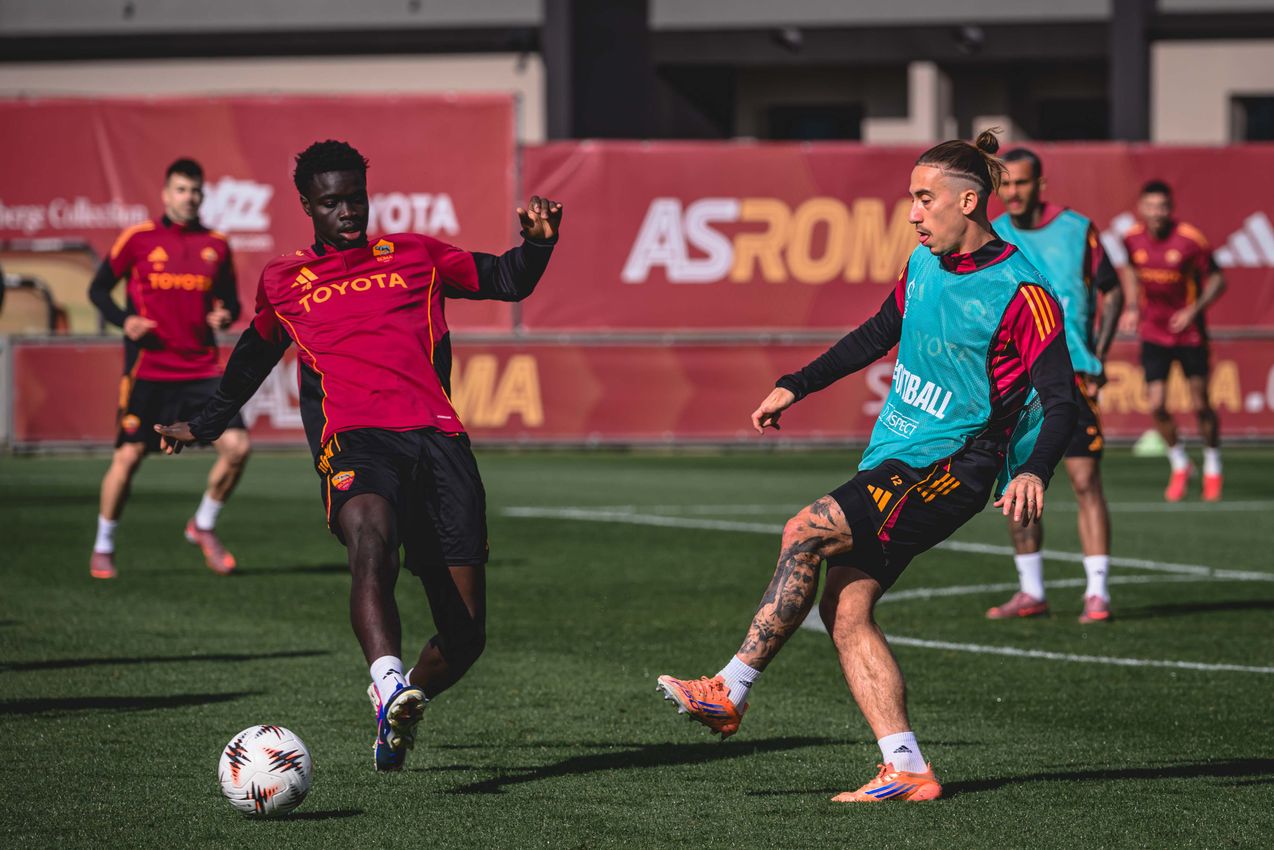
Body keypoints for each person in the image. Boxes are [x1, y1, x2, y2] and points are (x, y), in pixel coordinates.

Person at [656, 131, 1077, 803]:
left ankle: (728, 689)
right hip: (898, 457)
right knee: (846, 610)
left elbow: (1063, 400)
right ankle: (906, 767)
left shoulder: (1023, 293)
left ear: (968, 202)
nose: (912, 213)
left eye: (923, 199)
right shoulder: (922, 265)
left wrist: (1034, 472)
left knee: (806, 529)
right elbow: (876, 334)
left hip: (952, 467)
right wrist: (797, 382)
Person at [155, 140, 561, 772]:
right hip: (356, 438)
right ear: (308, 207)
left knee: (466, 634)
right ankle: (389, 679)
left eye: (356, 198)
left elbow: (505, 278)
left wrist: (537, 244)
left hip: (438, 440)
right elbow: (253, 356)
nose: (348, 211)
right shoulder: (285, 280)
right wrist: (206, 425)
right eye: (332, 202)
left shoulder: (416, 254)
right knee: (370, 538)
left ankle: (398, 713)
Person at [87, 157, 248, 580]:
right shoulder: (138, 239)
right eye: (181, 189)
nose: (189, 197)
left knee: (238, 449)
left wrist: (225, 315)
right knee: (128, 457)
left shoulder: (217, 244)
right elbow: (98, 289)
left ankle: (204, 525)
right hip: (149, 370)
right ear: (165, 193)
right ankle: (103, 545)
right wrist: (125, 320)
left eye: (195, 190)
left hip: (202, 369)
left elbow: (231, 302)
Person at [985, 148, 1123, 624]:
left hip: (1073, 376)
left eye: (1021, 183)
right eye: (1004, 184)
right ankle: (1031, 591)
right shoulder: (992, 235)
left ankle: (1098, 593)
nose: (1012, 193)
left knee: (1086, 482)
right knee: (1020, 485)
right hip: (1017, 384)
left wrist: (1098, 352)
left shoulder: (1077, 229)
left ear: (1041, 185)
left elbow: (1113, 288)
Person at [1117, 180, 1226, 502]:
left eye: (1162, 207)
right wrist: (1133, 306)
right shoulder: (1131, 238)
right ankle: (1180, 463)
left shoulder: (1191, 240)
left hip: (1189, 332)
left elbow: (1218, 279)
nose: (1157, 213)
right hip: (1153, 331)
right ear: (1141, 208)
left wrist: (1194, 310)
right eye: (1151, 207)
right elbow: (1130, 270)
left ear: (1170, 208)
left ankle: (1213, 463)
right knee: (1156, 404)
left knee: (1200, 404)